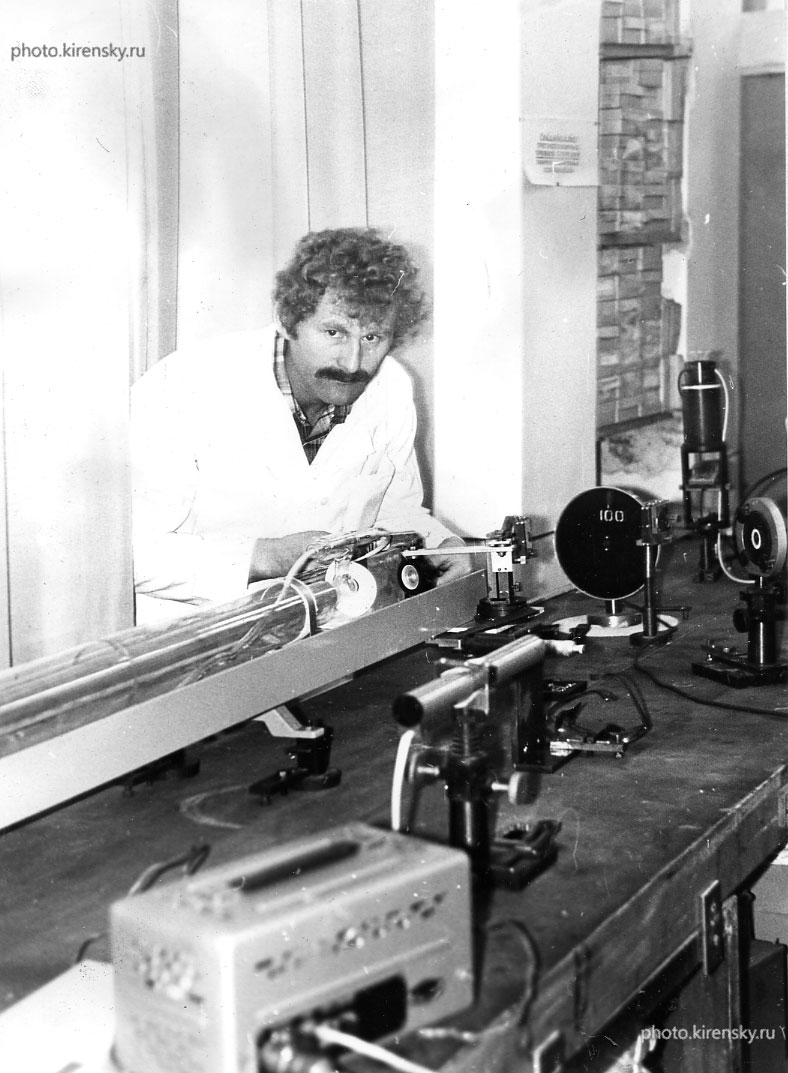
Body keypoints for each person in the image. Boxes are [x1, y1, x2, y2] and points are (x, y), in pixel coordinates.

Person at [131, 227, 467, 621]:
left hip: (328, 628)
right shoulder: (183, 385)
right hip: (194, 633)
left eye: (373, 337)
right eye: (334, 332)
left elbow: (394, 512)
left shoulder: (390, 386)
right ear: (287, 321)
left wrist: (439, 544)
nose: (352, 363)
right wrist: (265, 556)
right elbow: (125, 553)